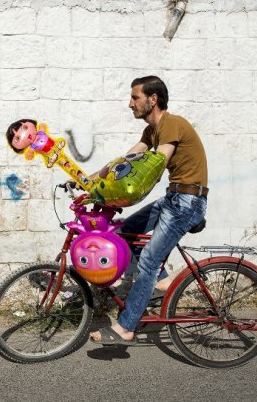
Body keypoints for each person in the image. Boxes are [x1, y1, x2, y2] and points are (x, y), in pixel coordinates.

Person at [89, 75, 209, 346]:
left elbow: (155, 165)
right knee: (125, 232)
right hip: (175, 198)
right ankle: (164, 284)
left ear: (152, 99)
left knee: (148, 263)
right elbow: (125, 160)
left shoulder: (171, 124)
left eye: (135, 97)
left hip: (187, 203)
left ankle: (126, 327)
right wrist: (90, 181)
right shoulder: (151, 130)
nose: (130, 103)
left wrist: (121, 193)